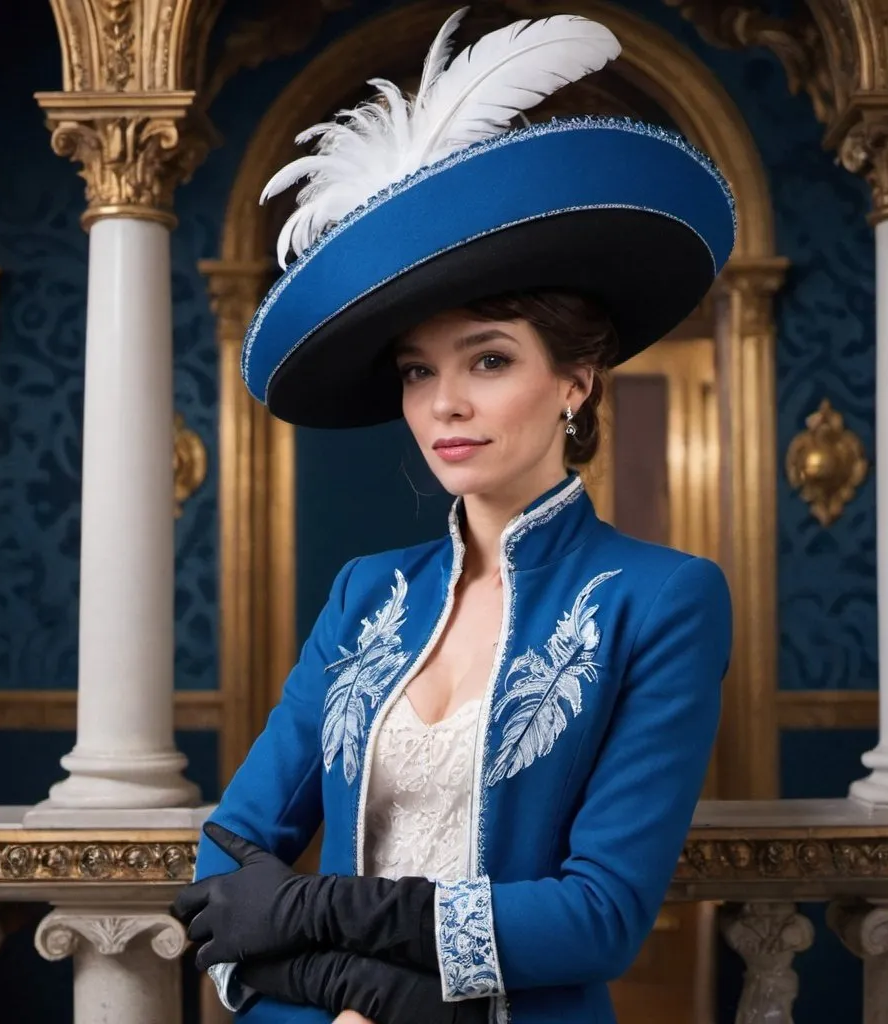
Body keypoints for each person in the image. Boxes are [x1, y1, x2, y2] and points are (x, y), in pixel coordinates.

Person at [173, 9, 736, 1024]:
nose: (446, 405)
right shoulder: (368, 593)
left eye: (488, 359)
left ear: (575, 378)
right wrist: (345, 993)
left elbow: (600, 913)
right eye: (418, 371)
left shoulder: (660, 600)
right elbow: (228, 871)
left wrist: (327, 913)